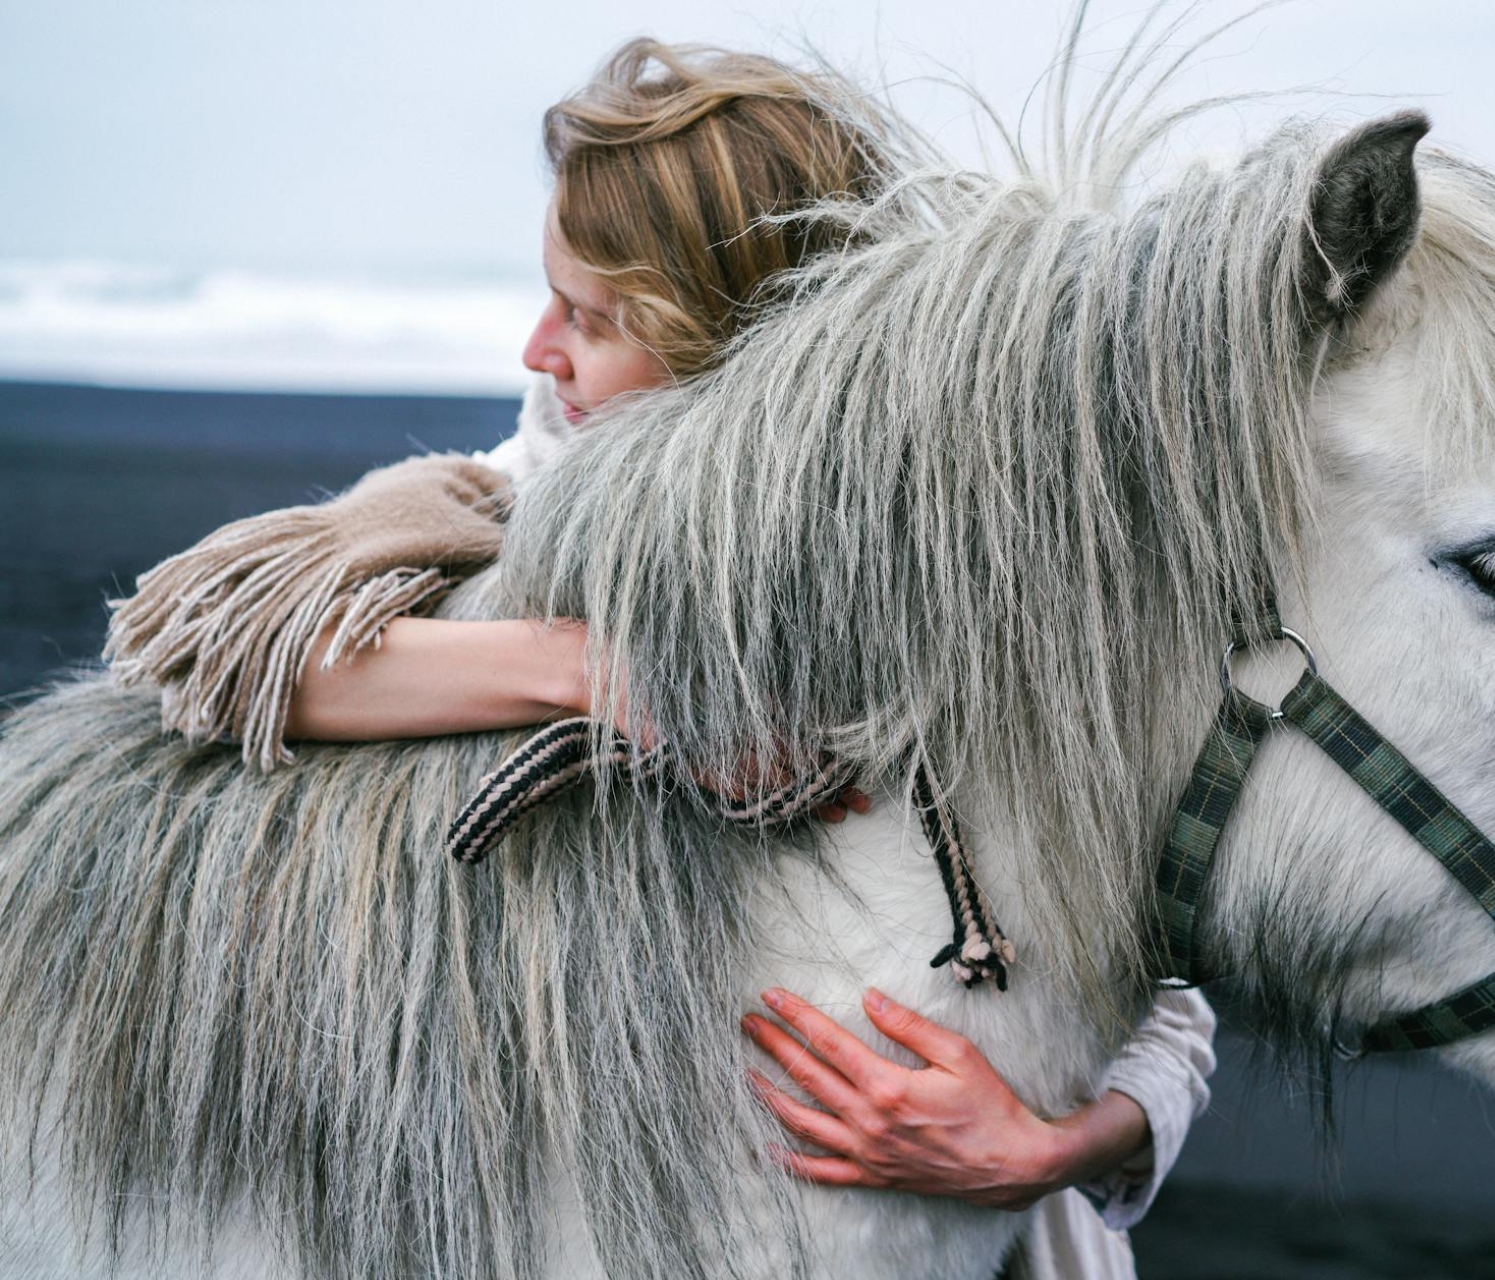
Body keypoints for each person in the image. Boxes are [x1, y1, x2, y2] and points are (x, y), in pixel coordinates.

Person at [103, 39, 1216, 1280]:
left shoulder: (971, 580)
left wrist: (1044, 1148)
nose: (538, 348)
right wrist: (601, 674)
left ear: (724, 344)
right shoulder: (527, 500)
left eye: (593, 316)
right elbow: (254, 666)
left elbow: (1164, 963)